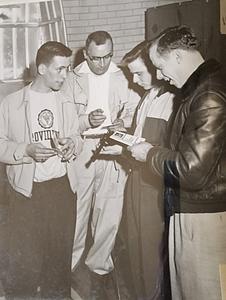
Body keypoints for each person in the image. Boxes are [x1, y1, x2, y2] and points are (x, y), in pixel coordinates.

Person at [129, 25, 226, 300]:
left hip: (204, 219)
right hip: (193, 211)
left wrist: (148, 154)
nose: (160, 76)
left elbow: (191, 170)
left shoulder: (208, 95)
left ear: (179, 57)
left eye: (160, 66)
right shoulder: (200, 90)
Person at [0, 41, 83, 299]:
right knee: (25, 266)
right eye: (60, 69)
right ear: (42, 68)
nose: (65, 75)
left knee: (59, 263)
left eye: (67, 69)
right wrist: (26, 150)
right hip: (26, 194)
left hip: (62, 190)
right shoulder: (10, 103)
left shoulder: (66, 100)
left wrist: (72, 145)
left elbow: (76, 137)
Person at [63, 30, 139, 299]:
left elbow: (133, 109)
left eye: (108, 56)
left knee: (109, 210)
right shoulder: (72, 79)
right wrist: (85, 119)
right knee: (78, 210)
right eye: (96, 58)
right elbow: (64, 117)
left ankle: (99, 267)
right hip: (83, 149)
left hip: (112, 149)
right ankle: (70, 266)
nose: (102, 63)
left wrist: (124, 122)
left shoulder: (122, 77)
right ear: (86, 54)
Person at [118, 41, 174, 300]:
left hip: (155, 186)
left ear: (156, 67)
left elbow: (166, 151)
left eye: (139, 73)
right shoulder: (147, 97)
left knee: (152, 254)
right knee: (135, 247)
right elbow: (138, 139)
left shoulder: (173, 100)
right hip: (136, 180)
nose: (135, 81)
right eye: (131, 75)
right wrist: (119, 146)